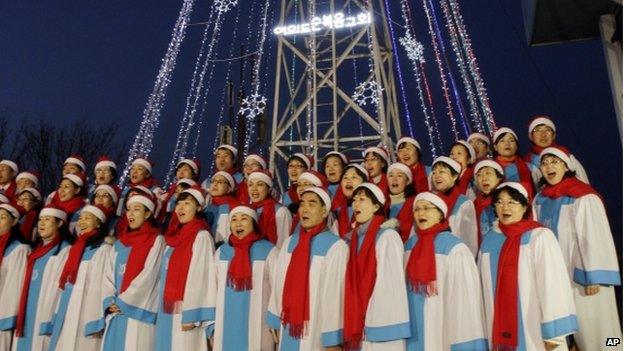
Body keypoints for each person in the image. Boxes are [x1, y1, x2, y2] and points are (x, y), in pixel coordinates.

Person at [533, 147, 621, 350]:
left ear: (566, 166)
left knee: (602, 333)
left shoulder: (582, 196)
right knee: (579, 336)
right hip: (559, 281)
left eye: (554, 162)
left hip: (585, 280)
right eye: (544, 163)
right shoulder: (540, 199)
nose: (548, 167)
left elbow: (594, 236)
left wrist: (593, 275)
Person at [480, 182, 577, 351]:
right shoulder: (488, 241)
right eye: (500, 202)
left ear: (525, 206)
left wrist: (554, 333)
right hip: (496, 326)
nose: (505, 207)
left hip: (534, 326)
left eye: (511, 202)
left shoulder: (539, 236)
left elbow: (552, 284)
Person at [267, 187, 348, 351]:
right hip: (288, 324)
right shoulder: (290, 242)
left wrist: (333, 339)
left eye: (312, 204)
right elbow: (278, 283)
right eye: (302, 204)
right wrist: (275, 319)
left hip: (316, 328)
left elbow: (335, 296)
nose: (304, 209)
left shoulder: (336, 246)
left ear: (324, 211)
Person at [405, 192, 487, 350]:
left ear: (440, 214)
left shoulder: (455, 248)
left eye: (426, 208)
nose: (420, 213)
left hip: (443, 325)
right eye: (416, 209)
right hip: (414, 327)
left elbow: (465, 298)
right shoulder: (409, 246)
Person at [343, 183, 410, 350]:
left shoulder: (387, 236)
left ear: (376, 206)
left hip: (380, 324)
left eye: (362, 199)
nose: (356, 204)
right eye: (355, 200)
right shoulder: (353, 239)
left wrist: (372, 316)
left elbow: (389, 285)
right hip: (360, 320)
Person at [207, 205, 278, 351]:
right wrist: (211, 324)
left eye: (244, 219)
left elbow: (279, 290)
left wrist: (275, 321)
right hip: (224, 326)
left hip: (259, 326)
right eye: (234, 219)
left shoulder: (269, 251)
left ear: (254, 223)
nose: (238, 223)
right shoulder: (222, 252)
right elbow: (211, 288)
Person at [100, 194, 164, 351]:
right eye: (128, 209)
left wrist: (123, 301)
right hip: (115, 312)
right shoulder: (119, 244)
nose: (131, 214)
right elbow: (108, 276)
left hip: (137, 314)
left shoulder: (156, 240)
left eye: (137, 209)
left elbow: (149, 275)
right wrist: (110, 301)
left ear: (148, 213)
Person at [154, 187, 215, 351]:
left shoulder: (201, 236)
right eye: (178, 204)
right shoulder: (173, 237)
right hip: (166, 310)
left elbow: (201, 276)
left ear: (199, 208)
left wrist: (192, 314)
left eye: (187, 203)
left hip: (186, 313)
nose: (180, 208)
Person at [48, 205, 112, 351]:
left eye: (88, 218)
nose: (81, 222)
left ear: (98, 223)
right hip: (68, 309)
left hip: (84, 312)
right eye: (81, 218)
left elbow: (99, 286)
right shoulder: (77, 248)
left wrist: (95, 319)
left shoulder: (103, 249)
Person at [12, 207, 71, 351]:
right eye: (40, 220)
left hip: (44, 317)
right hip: (26, 317)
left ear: (59, 223)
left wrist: (50, 319)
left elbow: (58, 290)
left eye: (47, 220)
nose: (41, 224)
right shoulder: (36, 252)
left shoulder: (64, 251)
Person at [429, 157, 478, 257]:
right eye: (434, 172)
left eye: (442, 172)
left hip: (455, 257)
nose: (436, 176)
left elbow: (470, 242)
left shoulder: (464, 203)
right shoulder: (430, 202)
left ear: (454, 176)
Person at [0, 203, 31, 350]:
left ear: (13, 222)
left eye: (2, 218)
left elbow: (14, 287)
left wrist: (6, 319)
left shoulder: (19, 250)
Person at [524, 115, 589, 183]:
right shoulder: (525, 163)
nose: (543, 134)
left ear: (554, 135)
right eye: (537, 130)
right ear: (530, 136)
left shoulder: (567, 156)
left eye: (548, 130)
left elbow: (585, 184)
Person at [247, 171, 292, 249]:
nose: (254, 188)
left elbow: (284, 244)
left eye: (259, 184)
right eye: (250, 185)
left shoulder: (280, 211)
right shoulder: (246, 211)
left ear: (268, 189)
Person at [491, 128, 535, 195]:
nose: (507, 144)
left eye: (511, 141)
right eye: (502, 141)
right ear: (495, 147)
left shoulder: (530, 168)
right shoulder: (489, 170)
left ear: (516, 146)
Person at [472, 160, 504, 243]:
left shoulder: (508, 200)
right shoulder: (475, 204)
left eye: (488, 173)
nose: (483, 178)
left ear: (499, 177)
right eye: (479, 175)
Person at [204, 172, 240, 245]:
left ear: (229, 189)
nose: (215, 184)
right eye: (213, 181)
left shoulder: (232, 207)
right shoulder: (208, 207)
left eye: (220, 182)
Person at [333, 164, 369, 237]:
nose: (348, 181)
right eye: (345, 177)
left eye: (354, 177)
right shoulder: (336, 213)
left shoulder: (371, 209)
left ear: (364, 183)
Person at [386, 162, 416, 242]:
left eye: (399, 176)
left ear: (407, 181)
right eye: (391, 175)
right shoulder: (382, 205)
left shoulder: (414, 204)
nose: (394, 179)